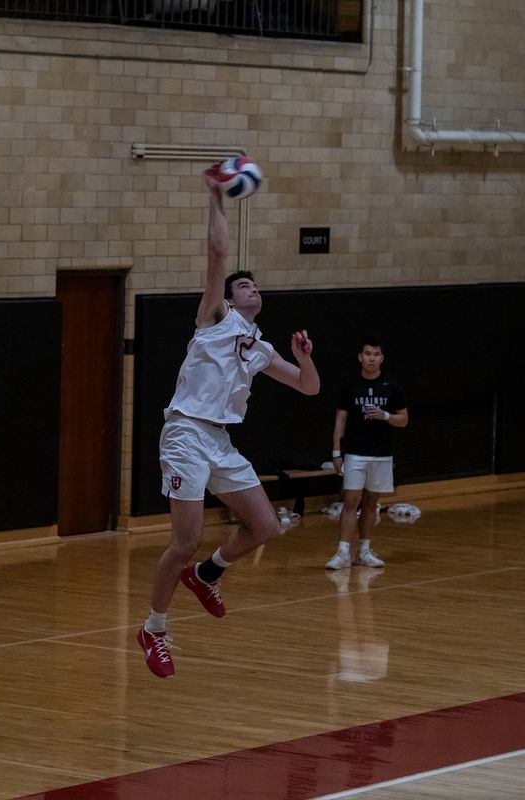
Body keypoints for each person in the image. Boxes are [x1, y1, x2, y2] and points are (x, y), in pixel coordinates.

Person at [137, 164, 321, 679]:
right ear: (230, 297)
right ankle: (153, 629)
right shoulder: (215, 318)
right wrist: (216, 197)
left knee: (266, 526)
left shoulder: (259, 347)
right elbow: (218, 253)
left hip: (219, 441)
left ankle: (207, 575)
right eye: (244, 284)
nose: (251, 287)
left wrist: (304, 358)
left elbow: (309, 388)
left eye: (255, 284)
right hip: (185, 433)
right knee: (184, 540)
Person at [325, 336, 408, 570]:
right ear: (360, 357)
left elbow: (404, 419)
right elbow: (340, 420)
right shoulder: (350, 385)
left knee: (371, 503)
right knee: (351, 500)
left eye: (376, 354)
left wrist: (385, 415)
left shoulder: (392, 386)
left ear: (382, 358)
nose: (372, 358)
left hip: (382, 454)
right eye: (368, 354)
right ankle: (342, 552)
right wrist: (336, 452)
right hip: (355, 452)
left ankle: (364, 551)